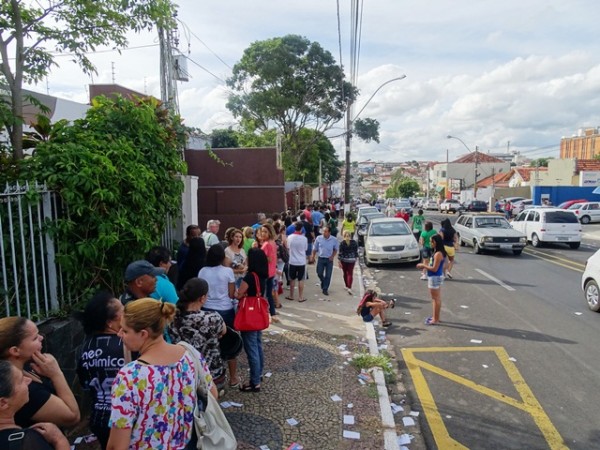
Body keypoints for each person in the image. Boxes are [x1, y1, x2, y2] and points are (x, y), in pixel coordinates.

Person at [107, 298, 217, 450]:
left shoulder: (129, 376)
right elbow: (213, 394)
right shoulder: (191, 356)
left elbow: (117, 445)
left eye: (125, 330)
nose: (119, 334)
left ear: (143, 334)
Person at [0, 317, 80, 428]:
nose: (41, 338)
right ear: (15, 351)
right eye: (34, 338)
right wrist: (56, 374)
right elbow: (73, 416)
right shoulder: (25, 390)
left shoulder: (27, 367)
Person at [75, 291, 126, 449]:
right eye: (123, 312)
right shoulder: (127, 345)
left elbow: (85, 384)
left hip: (98, 418)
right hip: (125, 417)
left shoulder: (84, 348)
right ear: (110, 322)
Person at [168, 278, 227, 389]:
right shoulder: (212, 317)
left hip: (184, 372)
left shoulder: (171, 317)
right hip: (212, 373)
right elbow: (223, 331)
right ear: (202, 298)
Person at [0, 360, 70, 450]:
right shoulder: (27, 442)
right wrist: (59, 439)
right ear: (3, 403)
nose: (28, 380)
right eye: (21, 380)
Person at [198, 244, 240, 387]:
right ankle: (233, 378)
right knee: (229, 343)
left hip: (207, 309)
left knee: (209, 344)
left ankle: (210, 376)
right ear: (222, 256)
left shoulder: (202, 271)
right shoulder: (227, 271)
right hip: (225, 310)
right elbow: (231, 293)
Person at [235, 248, 268, 392]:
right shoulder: (262, 276)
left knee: (251, 348)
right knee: (258, 344)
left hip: (249, 316)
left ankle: (254, 382)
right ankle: (259, 374)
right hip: (258, 315)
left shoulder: (249, 277)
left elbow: (239, 294)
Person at [416, 234, 447, 325]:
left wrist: (423, 265)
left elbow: (434, 268)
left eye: (431, 241)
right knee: (436, 298)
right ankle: (436, 317)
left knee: (435, 299)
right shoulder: (438, 252)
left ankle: (435, 319)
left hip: (434, 277)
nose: (430, 243)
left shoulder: (438, 254)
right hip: (436, 276)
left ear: (436, 242)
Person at [255, 223, 281, 320]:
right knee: (269, 294)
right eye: (262, 231)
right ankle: (272, 314)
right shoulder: (272, 242)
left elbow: (268, 259)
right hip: (271, 272)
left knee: (262, 294)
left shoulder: (266, 244)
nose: (263, 233)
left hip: (265, 272)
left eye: (265, 232)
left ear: (270, 232)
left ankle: (263, 314)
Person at [311, 226, 339, 296]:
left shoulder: (334, 240)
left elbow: (335, 249)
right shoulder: (319, 238)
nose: (324, 233)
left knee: (328, 275)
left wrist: (332, 256)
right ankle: (323, 281)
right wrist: (313, 257)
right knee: (319, 272)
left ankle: (325, 289)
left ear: (329, 232)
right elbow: (315, 248)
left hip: (329, 259)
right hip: (321, 258)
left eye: (326, 231)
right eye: (323, 231)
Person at [286, 222, 308, 302]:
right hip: (301, 261)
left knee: (292, 279)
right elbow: (305, 249)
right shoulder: (304, 238)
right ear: (301, 228)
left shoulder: (290, 237)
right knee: (301, 280)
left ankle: (291, 295)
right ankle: (300, 297)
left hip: (292, 261)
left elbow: (288, 248)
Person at [338, 230, 359, 295]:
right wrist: (355, 258)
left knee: (345, 273)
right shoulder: (354, 242)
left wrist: (339, 261)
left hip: (344, 260)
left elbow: (340, 253)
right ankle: (349, 287)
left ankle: (347, 285)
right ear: (350, 235)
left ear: (343, 236)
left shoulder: (342, 243)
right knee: (350, 273)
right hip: (352, 260)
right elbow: (356, 252)